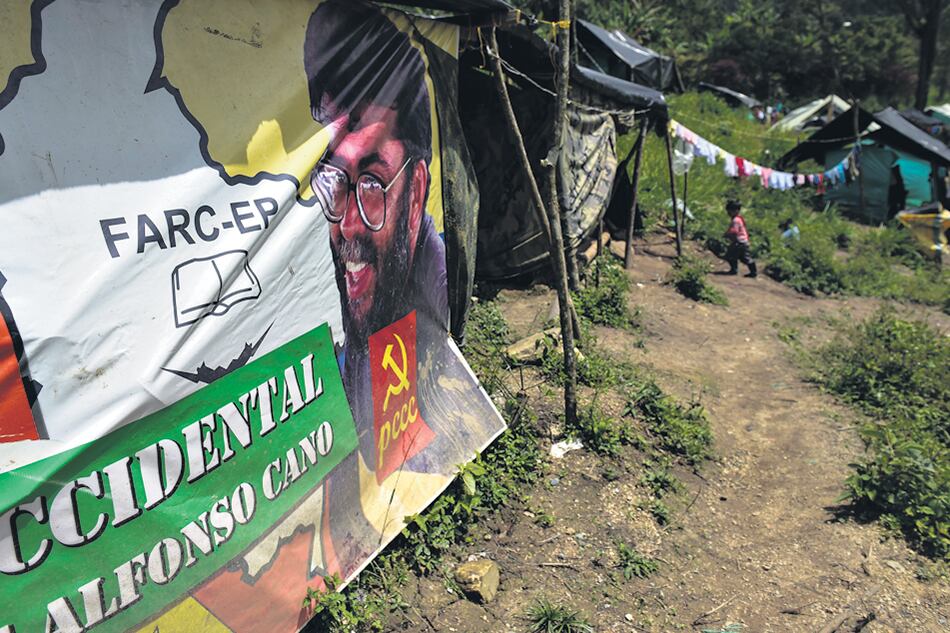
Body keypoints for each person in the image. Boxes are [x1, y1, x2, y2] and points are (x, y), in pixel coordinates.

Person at [723, 199, 757, 277]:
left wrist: (727, 235)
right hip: (742, 241)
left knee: (731, 256)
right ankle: (752, 271)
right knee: (742, 257)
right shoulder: (738, 219)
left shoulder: (735, 220)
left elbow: (734, 231)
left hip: (739, 242)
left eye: (730, 211)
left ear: (736, 211)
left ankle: (735, 270)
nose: (728, 213)